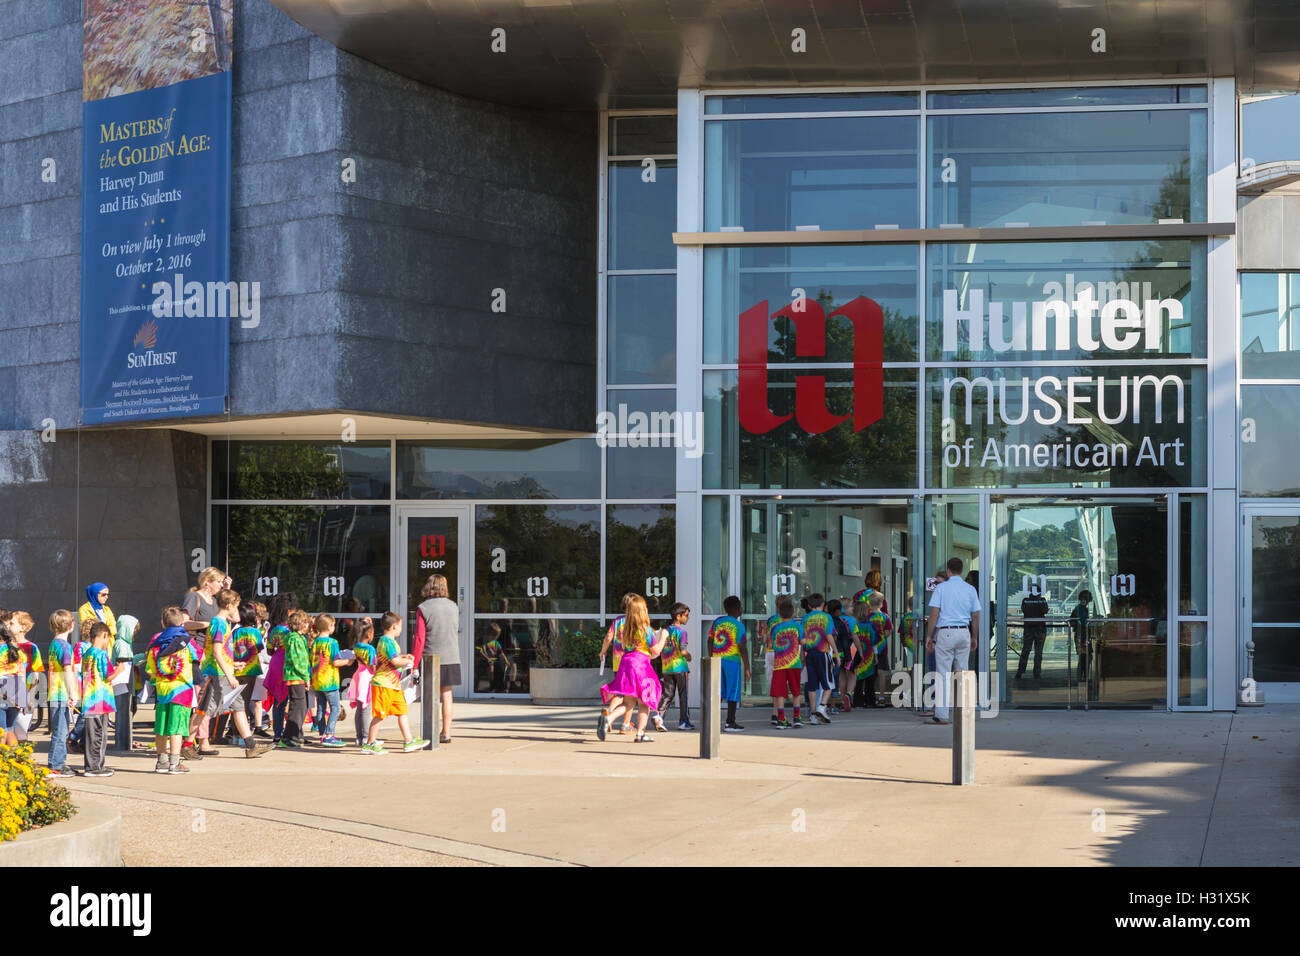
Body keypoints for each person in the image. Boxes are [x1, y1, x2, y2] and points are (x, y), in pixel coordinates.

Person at [192, 590, 272, 758]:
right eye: (235, 606)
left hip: (223, 671)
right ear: (229, 606)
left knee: (239, 707)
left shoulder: (222, 623)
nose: (237, 610)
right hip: (217, 674)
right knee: (204, 710)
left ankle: (251, 745)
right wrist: (229, 674)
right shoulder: (219, 624)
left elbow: (222, 653)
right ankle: (187, 742)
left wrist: (233, 664)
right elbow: (217, 651)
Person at [595, 595, 665, 743]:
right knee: (644, 702)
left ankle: (609, 718)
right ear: (642, 611)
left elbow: (612, 639)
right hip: (641, 666)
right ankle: (640, 733)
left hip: (625, 663)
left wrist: (603, 651)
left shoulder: (626, 629)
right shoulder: (646, 631)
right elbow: (656, 651)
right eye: (645, 607)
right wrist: (663, 637)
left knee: (628, 702)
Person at [923, 557, 981, 725]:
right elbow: (975, 615)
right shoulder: (970, 589)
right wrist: (974, 636)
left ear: (948, 570)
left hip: (946, 632)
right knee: (963, 673)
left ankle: (942, 714)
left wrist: (929, 635)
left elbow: (934, 614)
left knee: (943, 674)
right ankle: (965, 712)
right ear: (961, 570)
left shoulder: (941, 588)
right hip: (963, 631)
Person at [363, 612, 429, 754]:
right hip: (384, 684)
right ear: (394, 626)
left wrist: (403, 656)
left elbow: (393, 658)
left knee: (402, 711)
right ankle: (369, 743)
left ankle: (408, 741)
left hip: (393, 685)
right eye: (400, 626)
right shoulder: (386, 641)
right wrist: (409, 661)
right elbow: (395, 661)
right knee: (380, 714)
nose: (401, 629)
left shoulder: (389, 642)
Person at [145, 607, 199, 774]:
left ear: (163, 623)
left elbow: (150, 669)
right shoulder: (187, 642)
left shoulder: (156, 642)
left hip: (162, 691)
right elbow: (200, 656)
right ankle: (175, 764)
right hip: (182, 691)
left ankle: (161, 761)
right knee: (177, 728)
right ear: (182, 622)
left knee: (161, 727)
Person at [413, 573, 460, 745]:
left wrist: (415, 662)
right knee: (447, 694)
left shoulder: (423, 608)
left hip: (430, 656)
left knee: (430, 696)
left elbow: (419, 638)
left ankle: (429, 733)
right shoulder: (454, 606)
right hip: (451, 655)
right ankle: (445, 732)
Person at [44, 610, 79, 776]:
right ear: (71, 625)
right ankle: (56, 765)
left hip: (54, 693)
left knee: (60, 730)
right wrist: (73, 693)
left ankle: (58, 763)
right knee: (61, 731)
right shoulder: (65, 646)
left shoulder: (54, 644)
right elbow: (67, 671)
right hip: (61, 694)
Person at [79, 621, 117, 777]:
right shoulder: (101, 654)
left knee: (91, 734)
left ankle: (92, 765)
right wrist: (121, 669)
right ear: (104, 635)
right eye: (108, 638)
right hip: (100, 700)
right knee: (99, 735)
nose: (108, 642)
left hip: (89, 699)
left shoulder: (87, 653)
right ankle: (95, 767)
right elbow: (109, 675)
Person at [708, 595, 749, 732]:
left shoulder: (718, 622)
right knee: (733, 691)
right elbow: (742, 647)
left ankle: (711, 721)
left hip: (717, 660)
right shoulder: (739, 625)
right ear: (738, 609)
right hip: (732, 662)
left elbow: (709, 640)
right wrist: (747, 667)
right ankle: (730, 722)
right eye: (741, 607)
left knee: (718, 691)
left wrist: (712, 657)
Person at [230, 601, 269, 737]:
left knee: (236, 701)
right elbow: (260, 648)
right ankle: (241, 734)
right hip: (251, 670)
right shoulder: (256, 632)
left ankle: (234, 732)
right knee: (245, 703)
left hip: (236, 669)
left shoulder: (236, 632)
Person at [309, 613, 348, 747]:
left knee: (320, 707)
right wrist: (348, 661)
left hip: (317, 680)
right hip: (329, 681)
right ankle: (329, 734)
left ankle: (322, 733)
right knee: (335, 708)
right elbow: (336, 662)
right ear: (330, 626)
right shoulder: (332, 642)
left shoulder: (315, 643)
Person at [598, 594, 635, 735]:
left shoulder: (618, 620)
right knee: (629, 694)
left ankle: (612, 714)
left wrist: (602, 652)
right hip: (631, 661)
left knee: (621, 691)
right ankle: (623, 723)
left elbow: (608, 636)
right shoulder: (636, 621)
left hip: (617, 661)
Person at [800, 594, 839, 725]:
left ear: (810, 606)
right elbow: (829, 635)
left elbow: (802, 639)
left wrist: (802, 656)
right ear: (823, 605)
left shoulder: (805, 618)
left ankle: (813, 715)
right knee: (829, 684)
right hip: (823, 653)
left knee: (812, 686)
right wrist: (837, 654)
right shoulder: (826, 617)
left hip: (809, 653)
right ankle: (822, 707)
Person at [278, 609, 312, 749]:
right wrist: (306, 677)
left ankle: (295, 734)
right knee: (298, 708)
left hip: (296, 677)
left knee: (301, 707)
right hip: (296, 677)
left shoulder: (297, 638)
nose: (308, 626)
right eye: (306, 623)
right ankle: (288, 736)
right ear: (301, 624)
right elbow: (299, 661)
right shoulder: (295, 639)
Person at [767, 597, 803, 729]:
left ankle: (781, 719)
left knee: (780, 692)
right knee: (796, 692)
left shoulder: (775, 628)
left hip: (779, 665)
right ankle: (797, 717)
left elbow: (770, 644)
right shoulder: (797, 626)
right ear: (793, 614)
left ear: (780, 615)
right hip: (794, 663)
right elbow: (803, 641)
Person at [658, 603, 693, 730]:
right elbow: (683, 651)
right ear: (678, 616)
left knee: (667, 694)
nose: (687, 618)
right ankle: (684, 721)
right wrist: (689, 656)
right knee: (683, 694)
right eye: (686, 615)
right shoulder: (682, 632)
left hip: (667, 667)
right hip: (680, 668)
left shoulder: (665, 631)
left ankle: (659, 717)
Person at [347, 618, 376, 747]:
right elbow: (373, 666)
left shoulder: (356, 646)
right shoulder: (370, 649)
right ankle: (365, 737)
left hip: (358, 675)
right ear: (369, 634)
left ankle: (359, 737)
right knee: (366, 708)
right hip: (367, 678)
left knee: (360, 709)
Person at [0, 619, 28, 746]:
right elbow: (22, 675)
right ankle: (15, 760)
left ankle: (3, 762)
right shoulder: (18, 651)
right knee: (10, 729)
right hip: (17, 693)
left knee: (2, 731)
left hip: (2, 692)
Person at [1017, 587, 1050, 681]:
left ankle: (1021, 671)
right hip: (1039, 628)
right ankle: (1036, 673)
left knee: (1026, 651)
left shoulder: (1026, 601)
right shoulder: (1041, 600)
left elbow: (1024, 610)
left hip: (1029, 628)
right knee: (1038, 652)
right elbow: (1045, 610)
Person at [1071, 590, 1093, 686]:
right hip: (1082, 635)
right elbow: (1080, 622)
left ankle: (1082, 677)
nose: (1085, 601)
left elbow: (1072, 622)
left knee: (1084, 657)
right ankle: (1083, 677)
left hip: (1081, 635)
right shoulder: (1082, 609)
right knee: (1086, 657)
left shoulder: (1078, 609)